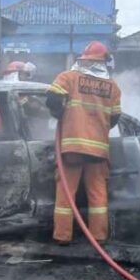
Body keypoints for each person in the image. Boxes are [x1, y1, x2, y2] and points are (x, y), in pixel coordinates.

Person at [46, 41, 121, 245]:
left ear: (83, 59)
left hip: (72, 147)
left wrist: (60, 113)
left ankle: (62, 236)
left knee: (66, 194)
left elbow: (52, 99)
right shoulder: (113, 87)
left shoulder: (68, 77)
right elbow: (115, 118)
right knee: (97, 194)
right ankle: (98, 236)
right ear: (104, 62)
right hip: (98, 149)